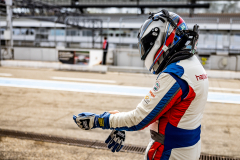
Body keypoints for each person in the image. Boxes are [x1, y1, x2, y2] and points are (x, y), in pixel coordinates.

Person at [73, 9, 209, 160]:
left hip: (169, 153)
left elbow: (139, 119)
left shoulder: (175, 74)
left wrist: (99, 120)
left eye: (148, 43)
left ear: (162, 40)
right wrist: (119, 123)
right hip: (188, 149)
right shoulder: (193, 65)